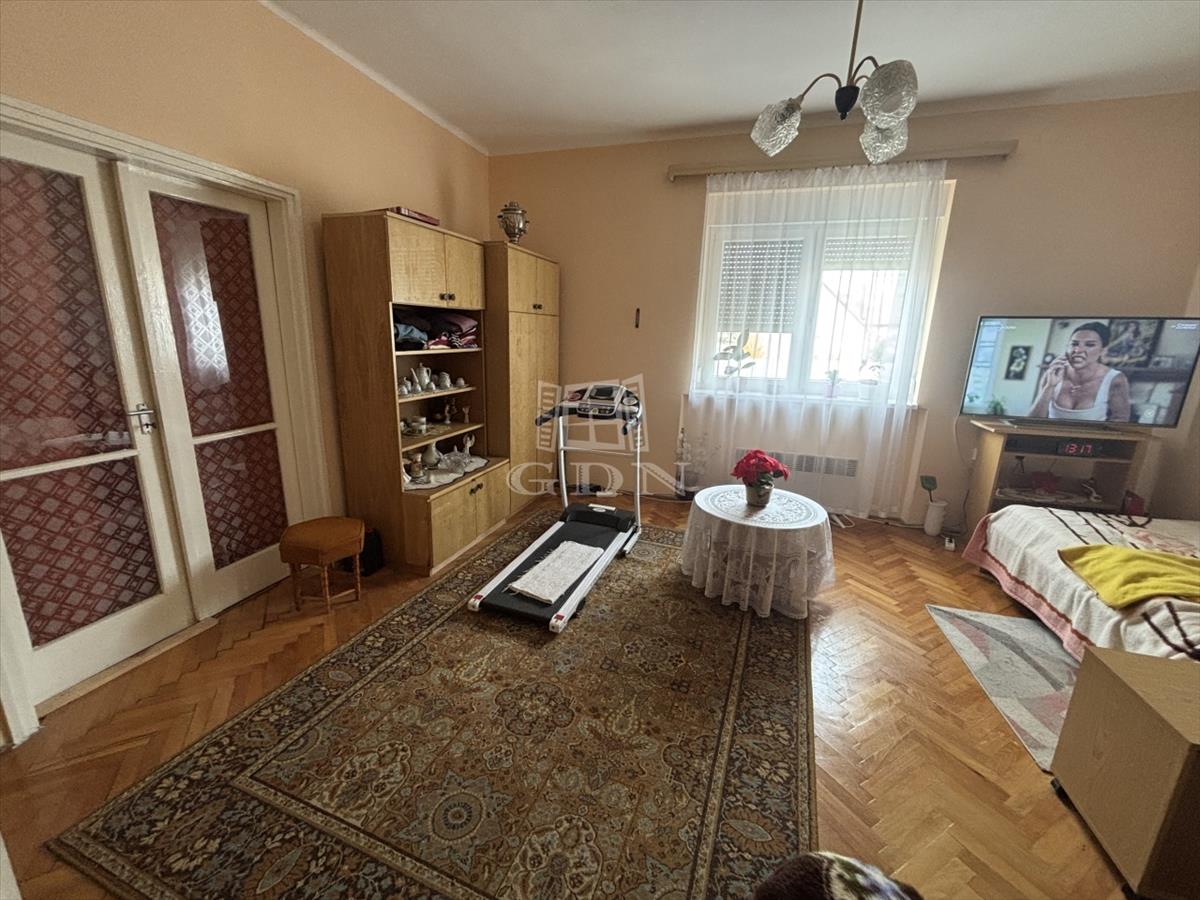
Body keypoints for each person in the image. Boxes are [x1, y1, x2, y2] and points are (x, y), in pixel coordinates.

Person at [1028, 322, 1131, 422]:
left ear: (1103, 350)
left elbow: (1120, 420)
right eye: (1074, 344)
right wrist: (1050, 386)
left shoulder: (1115, 379)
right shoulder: (1053, 374)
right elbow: (1032, 423)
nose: (1077, 350)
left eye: (1089, 345)